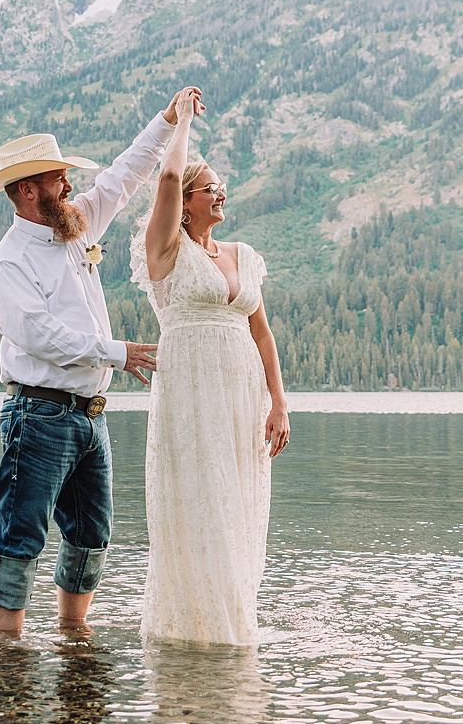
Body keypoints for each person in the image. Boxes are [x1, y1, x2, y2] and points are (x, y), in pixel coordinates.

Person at [0, 87, 200, 636]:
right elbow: (40, 336)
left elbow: (125, 177)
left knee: (91, 533)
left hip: (89, 415)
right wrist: (117, 353)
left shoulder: (75, 228)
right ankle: (9, 651)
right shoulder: (7, 264)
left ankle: (74, 639)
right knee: (21, 534)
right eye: (57, 178)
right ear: (28, 191)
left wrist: (167, 120)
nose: (68, 183)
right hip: (39, 415)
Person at [131, 90, 290, 645]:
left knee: (238, 503)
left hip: (242, 397)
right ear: (188, 200)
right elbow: (168, 180)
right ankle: (195, 630)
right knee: (201, 501)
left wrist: (278, 403)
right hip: (190, 397)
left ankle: (233, 618)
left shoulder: (243, 255)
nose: (221, 194)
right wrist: (180, 124)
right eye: (210, 188)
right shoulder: (165, 250)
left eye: (223, 188)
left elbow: (261, 332)